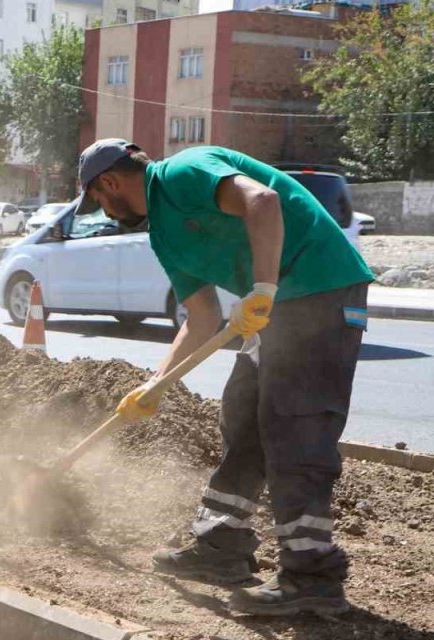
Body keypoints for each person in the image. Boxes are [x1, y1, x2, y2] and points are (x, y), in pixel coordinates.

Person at [76, 139, 374, 616]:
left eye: (98, 200)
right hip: (276, 306)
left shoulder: (184, 170)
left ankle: (311, 574)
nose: (105, 212)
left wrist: (262, 288)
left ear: (108, 183)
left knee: (294, 426)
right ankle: (221, 546)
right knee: (244, 417)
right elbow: (201, 318)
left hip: (321, 288)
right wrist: (154, 385)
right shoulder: (164, 236)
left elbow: (264, 201)